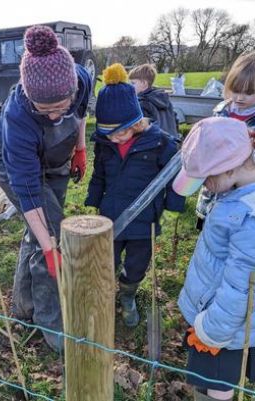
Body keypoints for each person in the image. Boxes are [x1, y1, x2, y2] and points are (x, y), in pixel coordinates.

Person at [0, 25, 92, 350]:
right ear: (30, 97)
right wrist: (50, 248)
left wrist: (79, 148)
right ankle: (51, 323)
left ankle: (23, 307)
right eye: (45, 110)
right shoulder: (18, 118)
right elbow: (29, 192)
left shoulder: (80, 80)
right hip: (17, 168)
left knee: (39, 233)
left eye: (61, 106)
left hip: (59, 155)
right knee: (50, 236)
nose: (54, 115)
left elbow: (80, 115)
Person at [85, 63, 185, 327]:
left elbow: (173, 175)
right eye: (109, 133)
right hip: (112, 214)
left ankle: (127, 294)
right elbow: (99, 175)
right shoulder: (106, 145)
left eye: (121, 131)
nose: (116, 138)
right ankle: (106, 293)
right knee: (107, 258)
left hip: (144, 218)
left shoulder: (160, 142)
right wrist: (93, 201)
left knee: (138, 263)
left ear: (136, 122)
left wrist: (173, 204)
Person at [173, 117, 255, 401]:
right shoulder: (235, 194)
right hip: (219, 317)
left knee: (218, 383)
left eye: (206, 178)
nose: (204, 186)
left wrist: (211, 331)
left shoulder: (248, 219)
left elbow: (239, 286)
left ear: (230, 168)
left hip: (225, 328)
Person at [196, 51, 255, 230]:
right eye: (236, 90)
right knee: (208, 236)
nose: (239, 97)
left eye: (249, 93)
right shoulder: (221, 112)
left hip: (243, 201)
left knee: (235, 240)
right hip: (212, 193)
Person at [128, 63, 179, 138]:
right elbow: (175, 120)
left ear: (144, 83)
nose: (129, 86)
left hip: (155, 145)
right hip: (171, 143)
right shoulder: (165, 100)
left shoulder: (143, 103)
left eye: (133, 83)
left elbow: (139, 130)